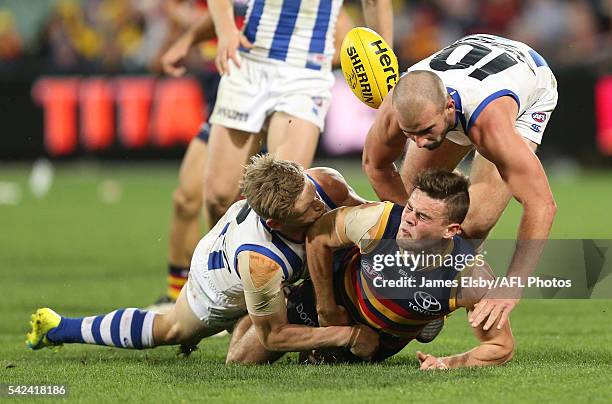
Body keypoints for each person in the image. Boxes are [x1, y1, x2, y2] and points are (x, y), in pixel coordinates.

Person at [26, 155, 378, 363]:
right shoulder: (262, 264)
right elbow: (275, 337)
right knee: (172, 330)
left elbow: (373, 220)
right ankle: (60, 327)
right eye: (309, 208)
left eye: (310, 192)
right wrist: (344, 335)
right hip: (218, 283)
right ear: (275, 222)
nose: (320, 205)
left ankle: (274, 304)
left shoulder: (324, 183)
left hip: (243, 247)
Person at [151, 2, 356, 309]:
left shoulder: (320, 13)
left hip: (296, 84)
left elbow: (345, 34)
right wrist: (190, 39)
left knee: (283, 200)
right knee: (203, 198)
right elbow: (233, 9)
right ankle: (195, 288)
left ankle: (266, 293)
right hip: (238, 78)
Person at [362, 34, 558, 331]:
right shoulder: (398, 109)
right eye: (409, 133)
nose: (419, 142)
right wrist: (410, 224)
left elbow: (541, 204)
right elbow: (375, 166)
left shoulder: (491, 127)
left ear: (449, 108)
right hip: (470, 61)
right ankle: (416, 290)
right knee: (416, 200)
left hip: (530, 80)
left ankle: (435, 300)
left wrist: (513, 285)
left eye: (427, 131)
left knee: (474, 223)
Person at [291, 169, 514, 368]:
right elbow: (318, 235)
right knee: (256, 352)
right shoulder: (377, 220)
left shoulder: (469, 277)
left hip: (379, 340)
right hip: (332, 300)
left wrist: (445, 363)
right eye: (409, 208)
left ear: (450, 230)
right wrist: (326, 308)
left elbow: (501, 346)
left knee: (324, 363)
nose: (407, 219)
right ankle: (431, 315)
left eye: (422, 217)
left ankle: (429, 315)